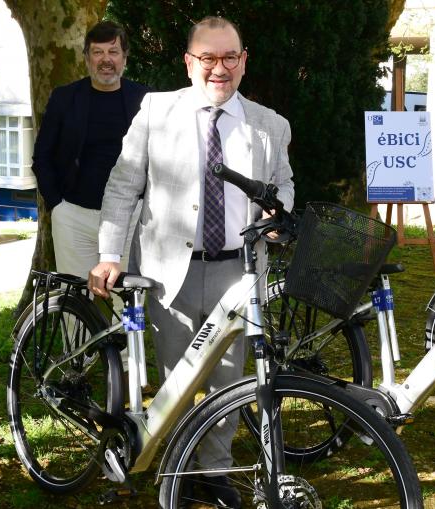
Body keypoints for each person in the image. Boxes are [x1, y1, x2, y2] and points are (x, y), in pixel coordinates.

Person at [88, 16, 294, 508]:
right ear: (188, 62)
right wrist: (110, 255)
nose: (219, 68)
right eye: (208, 57)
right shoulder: (156, 111)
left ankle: (215, 470)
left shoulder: (270, 125)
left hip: (239, 270)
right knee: (177, 380)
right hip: (169, 272)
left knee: (230, 378)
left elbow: (284, 183)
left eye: (229, 57)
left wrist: (277, 211)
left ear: (243, 61)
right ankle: (178, 467)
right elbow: (123, 186)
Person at [32, 20, 149, 279]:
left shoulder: (145, 99)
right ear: (86, 58)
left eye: (113, 52)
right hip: (74, 216)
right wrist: (57, 205)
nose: (106, 59)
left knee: (127, 293)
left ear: (124, 57)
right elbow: (42, 156)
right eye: (98, 52)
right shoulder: (64, 98)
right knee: (74, 294)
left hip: (129, 218)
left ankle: (126, 315)